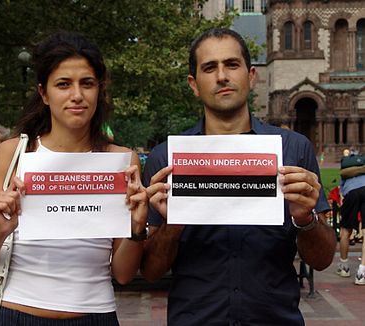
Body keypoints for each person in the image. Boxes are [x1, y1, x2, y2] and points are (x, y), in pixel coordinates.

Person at [141, 28, 336, 325]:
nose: (222, 76)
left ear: (252, 75)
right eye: (209, 67)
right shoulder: (166, 159)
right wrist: (174, 222)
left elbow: (322, 260)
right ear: (194, 84)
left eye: (232, 64)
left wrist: (305, 219)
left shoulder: (293, 149)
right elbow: (151, 271)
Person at [0, 31, 148, 325]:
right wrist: (2, 230)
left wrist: (137, 227)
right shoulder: (13, 154)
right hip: (16, 314)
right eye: (63, 84)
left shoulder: (121, 160)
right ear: (44, 93)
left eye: (87, 83)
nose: (77, 95)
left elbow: (124, 274)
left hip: (95, 315)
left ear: (99, 90)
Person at [337, 154, 365, 285]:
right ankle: (361, 272)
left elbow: (341, 191)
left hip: (351, 192)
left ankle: (344, 267)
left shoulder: (345, 172)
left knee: (345, 231)